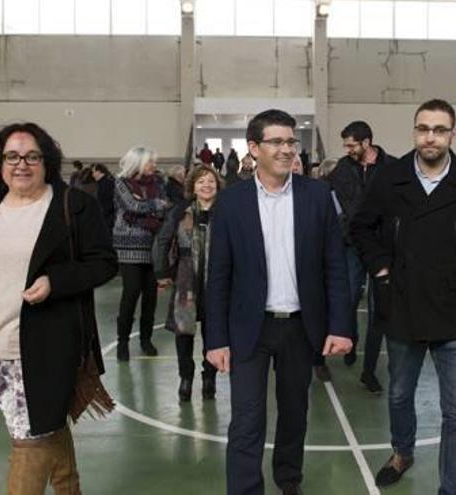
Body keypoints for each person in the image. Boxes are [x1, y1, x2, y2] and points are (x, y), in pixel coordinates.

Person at [0, 122, 118, 494]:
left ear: (46, 161)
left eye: (32, 156)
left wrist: (56, 282)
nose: (22, 164)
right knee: (45, 428)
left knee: (30, 439)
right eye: (12, 156)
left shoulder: (74, 205)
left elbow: (104, 263)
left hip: (50, 347)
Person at [350, 99, 456, 493]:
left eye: (439, 130)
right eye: (424, 128)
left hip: (455, 315)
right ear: (414, 132)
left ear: (453, 134)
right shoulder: (389, 179)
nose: (431, 137)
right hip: (401, 307)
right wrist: (381, 268)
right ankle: (402, 452)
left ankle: (453, 488)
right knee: (400, 394)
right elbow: (360, 228)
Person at [205, 109, 353, 495]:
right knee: (247, 420)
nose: (288, 149)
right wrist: (215, 338)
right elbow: (218, 276)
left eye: (291, 141)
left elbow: (334, 266)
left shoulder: (317, 196)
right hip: (248, 329)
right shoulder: (231, 202)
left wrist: (339, 326)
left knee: (294, 414)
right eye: (277, 142)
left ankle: (289, 480)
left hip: (301, 328)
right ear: (254, 148)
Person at [325, 120, 396, 393]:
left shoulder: (393, 167)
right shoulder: (342, 169)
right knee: (350, 296)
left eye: (351, 144)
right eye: (346, 145)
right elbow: (333, 201)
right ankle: (351, 337)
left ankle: (368, 372)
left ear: (367, 143)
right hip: (353, 245)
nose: (347, 149)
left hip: (383, 249)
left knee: (380, 309)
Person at [153, 164, 223, 402]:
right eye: (201, 181)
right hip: (185, 278)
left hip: (217, 278)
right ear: (192, 186)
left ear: (218, 185)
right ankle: (186, 377)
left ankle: (209, 377)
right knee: (183, 333)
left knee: (214, 332)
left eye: (211, 181)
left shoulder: (226, 211)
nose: (206, 185)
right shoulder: (180, 211)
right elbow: (162, 241)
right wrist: (162, 272)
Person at [112, 146, 170, 360]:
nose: (154, 166)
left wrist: (151, 206)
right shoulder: (121, 182)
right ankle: (123, 341)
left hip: (153, 247)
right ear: (137, 163)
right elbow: (132, 205)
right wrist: (155, 204)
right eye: (150, 162)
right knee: (131, 293)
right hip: (128, 248)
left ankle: (145, 340)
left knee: (151, 297)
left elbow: (165, 208)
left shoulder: (158, 182)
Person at [91, 163, 116, 230]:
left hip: (107, 218)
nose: (92, 175)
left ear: (98, 172)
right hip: (106, 217)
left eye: (93, 172)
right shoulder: (105, 181)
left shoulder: (106, 183)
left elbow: (108, 202)